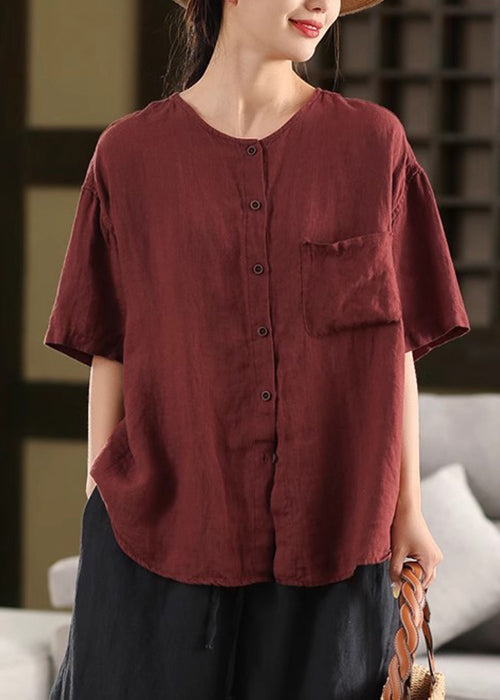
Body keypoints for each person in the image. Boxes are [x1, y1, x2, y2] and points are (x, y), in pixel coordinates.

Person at [44, 0, 470, 698]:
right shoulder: (129, 156)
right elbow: (109, 344)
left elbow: (394, 345)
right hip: (156, 541)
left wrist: (408, 510)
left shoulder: (373, 146)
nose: (321, 3)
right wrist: (100, 505)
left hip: (333, 542)